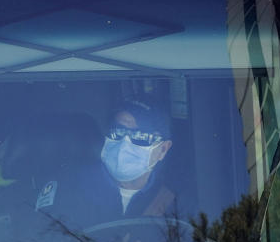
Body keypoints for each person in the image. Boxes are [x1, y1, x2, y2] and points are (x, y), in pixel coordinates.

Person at [33, 99, 176, 231]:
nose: (125, 143)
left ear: (163, 149)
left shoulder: (172, 204)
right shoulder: (66, 187)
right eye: (118, 131)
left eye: (141, 136)